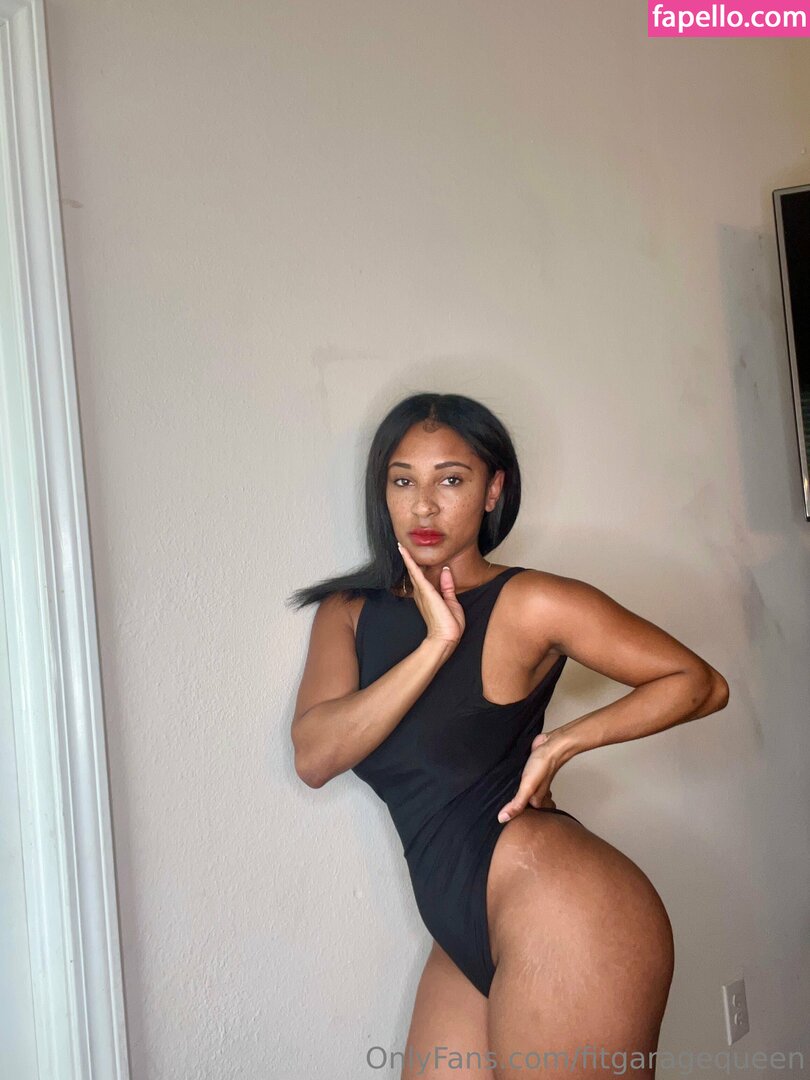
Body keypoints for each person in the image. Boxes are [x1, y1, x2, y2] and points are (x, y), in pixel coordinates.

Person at [288, 392, 729, 1079]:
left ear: (493, 490)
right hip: (464, 929)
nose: (424, 506)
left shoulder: (529, 602)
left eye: (451, 480)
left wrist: (566, 741)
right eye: (403, 481)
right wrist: (436, 644)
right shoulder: (348, 613)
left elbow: (697, 682)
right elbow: (316, 757)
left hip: (563, 904)